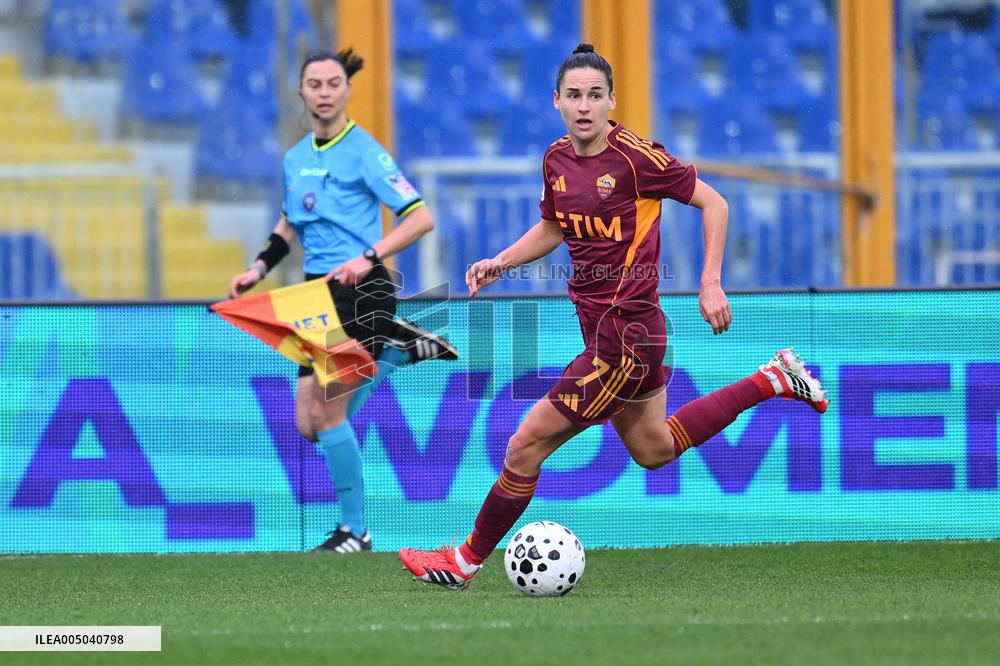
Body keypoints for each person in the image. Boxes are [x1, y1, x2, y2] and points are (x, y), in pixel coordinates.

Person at [399, 43, 829, 589]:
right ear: (556, 101)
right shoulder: (555, 160)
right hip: (616, 334)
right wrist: (502, 262)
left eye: (595, 96)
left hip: (625, 339)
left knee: (524, 444)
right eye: (574, 95)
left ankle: (463, 561)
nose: (584, 106)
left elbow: (715, 203)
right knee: (654, 449)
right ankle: (772, 379)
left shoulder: (637, 159)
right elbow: (556, 226)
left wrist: (710, 281)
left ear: (611, 102)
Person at [228, 49, 457, 553]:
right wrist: (257, 268)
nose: (325, 92)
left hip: (363, 290)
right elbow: (289, 222)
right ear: (302, 91)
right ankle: (395, 353)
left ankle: (355, 531)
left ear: (347, 90)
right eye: (315, 83)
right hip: (314, 296)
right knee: (307, 424)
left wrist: (369, 254)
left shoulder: (365, 152)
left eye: (334, 83)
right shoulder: (296, 158)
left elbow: (420, 218)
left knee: (330, 416)